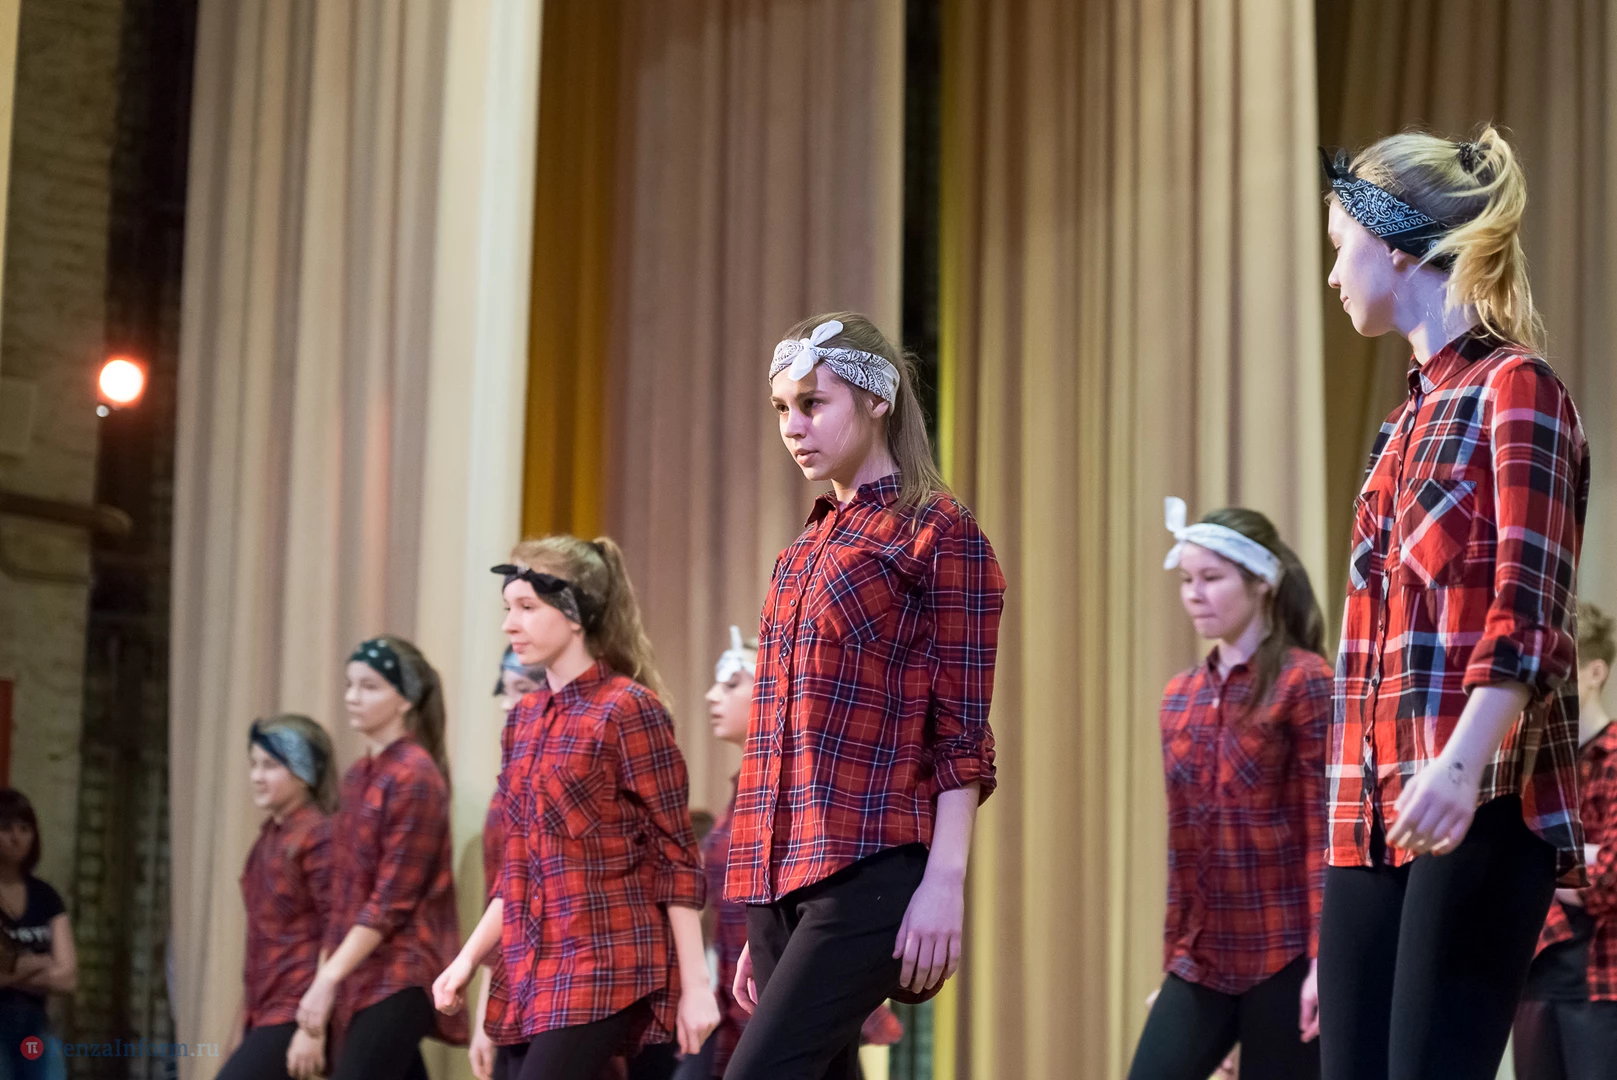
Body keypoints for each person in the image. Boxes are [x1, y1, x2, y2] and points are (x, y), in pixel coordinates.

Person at [1317, 126, 1591, 1080]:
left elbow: (1530, 610)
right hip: (1367, 809)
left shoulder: (1516, 390)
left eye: (1340, 247)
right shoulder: (1401, 424)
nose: (1332, 275)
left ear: (1396, 247)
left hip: (1475, 792)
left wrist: (1460, 768)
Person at [723, 313, 1005, 1080]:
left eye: (813, 404)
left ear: (877, 400)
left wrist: (944, 883)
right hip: (776, 876)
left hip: (869, 865)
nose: (793, 427)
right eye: (782, 409)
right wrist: (764, 911)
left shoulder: (938, 531)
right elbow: (780, 735)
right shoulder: (800, 551)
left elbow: (961, 733)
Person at [432, 536, 716, 1080]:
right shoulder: (523, 721)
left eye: (526, 607)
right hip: (533, 965)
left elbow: (676, 855)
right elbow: (518, 870)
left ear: (574, 612)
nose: (509, 624)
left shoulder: (628, 709)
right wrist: (466, 960)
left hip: (605, 957)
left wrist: (696, 985)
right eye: (507, 608)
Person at [1127, 501, 1331, 1080]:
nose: (1194, 594)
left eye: (1212, 578)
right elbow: (1184, 850)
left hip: (1285, 955)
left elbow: (1324, 834)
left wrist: (1325, 963)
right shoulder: (1180, 695)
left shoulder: (1304, 681)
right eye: (1187, 580)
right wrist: (1173, 964)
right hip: (1203, 958)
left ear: (1261, 582)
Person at [297, 636, 468, 1080]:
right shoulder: (358, 776)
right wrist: (327, 978)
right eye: (350, 685)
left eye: (369, 686)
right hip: (362, 972)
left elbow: (392, 900)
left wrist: (327, 979)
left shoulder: (415, 775)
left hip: (400, 972)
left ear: (405, 700)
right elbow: (341, 899)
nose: (352, 697)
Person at [1514, 602, 1617, 1078]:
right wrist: (1583, 857)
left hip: (1600, 982)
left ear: (1595, 672)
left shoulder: (1612, 757)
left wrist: (1539, 863)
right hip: (1536, 971)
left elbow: (1610, 878)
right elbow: (1509, 863)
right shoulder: (1532, 767)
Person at [219, 715, 336, 1080]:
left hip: (296, 1007)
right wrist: (244, 1022)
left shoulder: (318, 836)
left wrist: (312, 1027)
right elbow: (261, 943)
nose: (256, 776)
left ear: (304, 773)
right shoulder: (268, 838)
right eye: (253, 764)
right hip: (266, 1009)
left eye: (270, 766)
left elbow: (337, 930)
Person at [469, 647, 547, 1080]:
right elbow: (503, 902)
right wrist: (487, 1011)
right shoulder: (511, 782)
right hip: (516, 984)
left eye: (521, 688)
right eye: (505, 689)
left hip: (570, 982)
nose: (506, 703)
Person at [0, 789, 76, 1080]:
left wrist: (11, 972)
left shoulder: (46, 897)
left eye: (24, 828)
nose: (16, 838)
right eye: (6, 828)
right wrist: (41, 963)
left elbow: (68, 977)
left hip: (35, 1025)